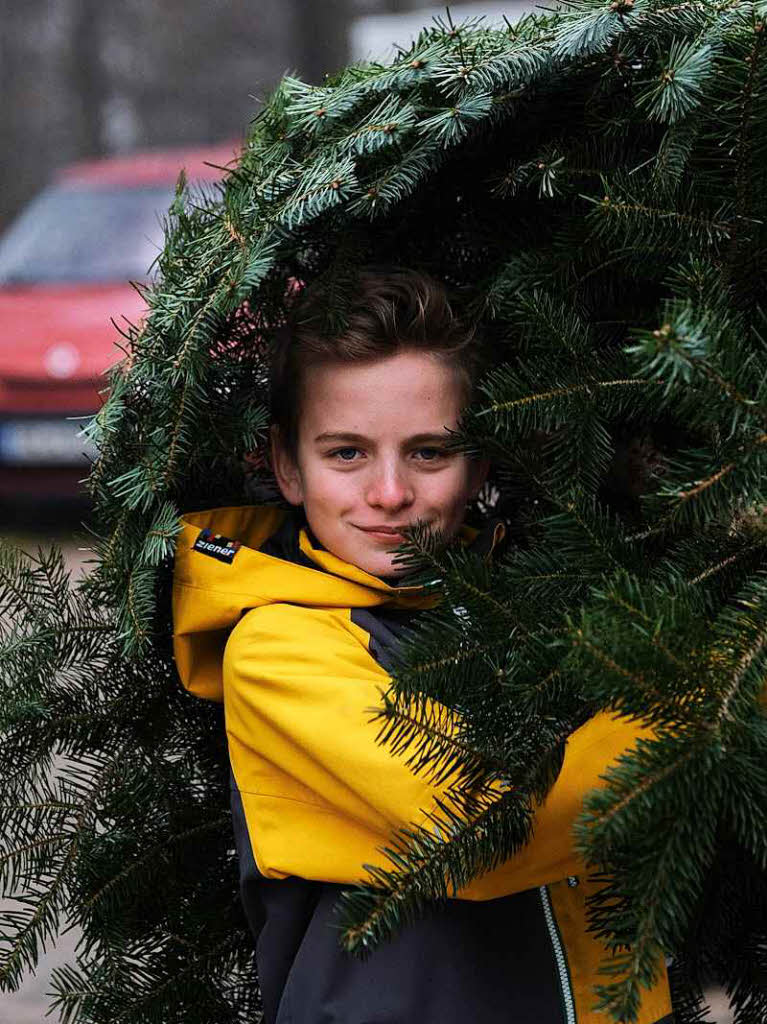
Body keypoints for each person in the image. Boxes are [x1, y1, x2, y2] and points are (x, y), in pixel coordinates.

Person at [171, 268, 673, 1024]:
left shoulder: (525, 600)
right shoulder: (276, 648)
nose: (388, 493)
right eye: (346, 454)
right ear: (286, 465)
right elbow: (479, 826)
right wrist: (708, 696)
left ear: (477, 464)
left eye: (428, 453)